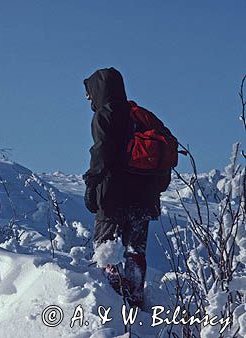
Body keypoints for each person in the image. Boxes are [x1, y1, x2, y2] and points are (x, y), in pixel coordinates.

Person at [82, 67, 167, 307]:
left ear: (99, 90)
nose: (89, 98)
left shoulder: (105, 115)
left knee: (105, 248)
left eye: (90, 93)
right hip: (144, 198)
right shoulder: (141, 115)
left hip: (113, 196)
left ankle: (115, 303)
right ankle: (136, 299)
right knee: (136, 250)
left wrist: (92, 184)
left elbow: (101, 152)